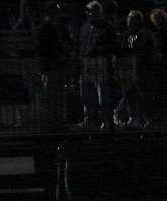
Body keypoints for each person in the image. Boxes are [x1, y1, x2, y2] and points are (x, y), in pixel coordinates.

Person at [77, 0, 118, 129]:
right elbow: (82, 44)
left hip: (101, 62)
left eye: (93, 12)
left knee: (103, 93)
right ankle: (90, 119)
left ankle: (106, 120)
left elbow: (113, 46)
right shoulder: (85, 27)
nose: (90, 15)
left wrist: (100, 50)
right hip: (87, 62)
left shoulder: (106, 27)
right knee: (86, 92)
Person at [36, 1, 72, 131]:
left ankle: (59, 121)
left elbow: (69, 44)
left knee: (60, 96)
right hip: (50, 67)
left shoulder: (60, 27)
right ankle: (50, 122)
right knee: (50, 96)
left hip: (59, 66)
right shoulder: (44, 28)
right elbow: (42, 49)